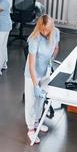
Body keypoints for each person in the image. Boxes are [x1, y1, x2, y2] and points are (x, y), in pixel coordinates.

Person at [24, 15, 60, 144]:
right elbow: (31, 65)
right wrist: (35, 85)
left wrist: (51, 59)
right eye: (42, 30)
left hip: (45, 72)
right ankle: (30, 129)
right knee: (31, 101)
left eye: (47, 30)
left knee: (41, 100)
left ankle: (37, 122)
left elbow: (56, 48)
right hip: (32, 74)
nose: (45, 32)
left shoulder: (55, 32)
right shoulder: (34, 39)